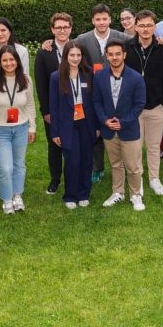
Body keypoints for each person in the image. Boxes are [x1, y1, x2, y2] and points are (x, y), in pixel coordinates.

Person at [77, 5, 131, 183]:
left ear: (110, 19)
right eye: (98, 19)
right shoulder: (82, 39)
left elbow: (141, 42)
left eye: (104, 19)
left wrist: (159, 40)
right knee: (95, 131)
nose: (101, 22)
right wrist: (48, 42)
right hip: (91, 91)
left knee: (119, 127)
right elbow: (69, 49)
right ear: (92, 20)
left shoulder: (122, 37)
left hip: (117, 91)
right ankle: (96, 168)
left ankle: (124, 166)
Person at [126, 10, 163, 195]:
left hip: (157, 107)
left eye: (149, 25)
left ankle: (154, 178)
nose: (145, 29)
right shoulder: (127, 48)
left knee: (154, 146)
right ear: (135, 27)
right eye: (142, 25)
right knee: (136, 146)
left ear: (155, 26)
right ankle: (137, 179)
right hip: (133, 109)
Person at [94, 41, 146, 209]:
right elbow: (97, 102)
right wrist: (104, 120)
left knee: (132, 166)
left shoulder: (136, 77)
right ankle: (118, 192)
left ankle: (136, 195)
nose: (115, 57)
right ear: (106, 56)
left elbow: (139, 104)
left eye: (118, 54)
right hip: (108, 129)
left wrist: (123, 122)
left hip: (129, 129)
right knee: (115, 164)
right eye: (111, 54)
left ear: (124, 55)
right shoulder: (99, 76)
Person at [0, 47, 36, 214]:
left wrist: (32, 127)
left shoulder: (26, 80)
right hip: (0, 130)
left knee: (19, 164)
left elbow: (30, 105)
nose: (9, 63)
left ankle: (17, 195)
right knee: (5, 168)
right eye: (4, 60)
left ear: (17, 61)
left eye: (12, 59)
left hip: (21, 128)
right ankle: (6, 198)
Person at [49, 41, 99, 208]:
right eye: (72, 55)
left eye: (78, 55)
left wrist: (97, 126)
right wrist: (55, 132)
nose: (75, 58)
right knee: (72, 161)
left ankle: (84, 193)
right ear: (66, 56)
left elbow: (95, 101)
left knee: (86, 159)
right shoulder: (56, 77)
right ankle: (70, 195)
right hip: (67, 125)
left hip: (87, 123)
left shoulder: (89, 73)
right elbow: (54, 107)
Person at [34, 12, 73, 195]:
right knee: (54, 144)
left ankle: (73, 177)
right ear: (52, 30)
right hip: (54, 108)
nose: (62, 30)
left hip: (75, 107)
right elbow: (40, 84)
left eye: (65, 27)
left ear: (71, 29)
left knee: (73, 144)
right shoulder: (44, 52)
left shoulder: (77, 49)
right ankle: (55, 179)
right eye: (58, 27)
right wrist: (46, 111)